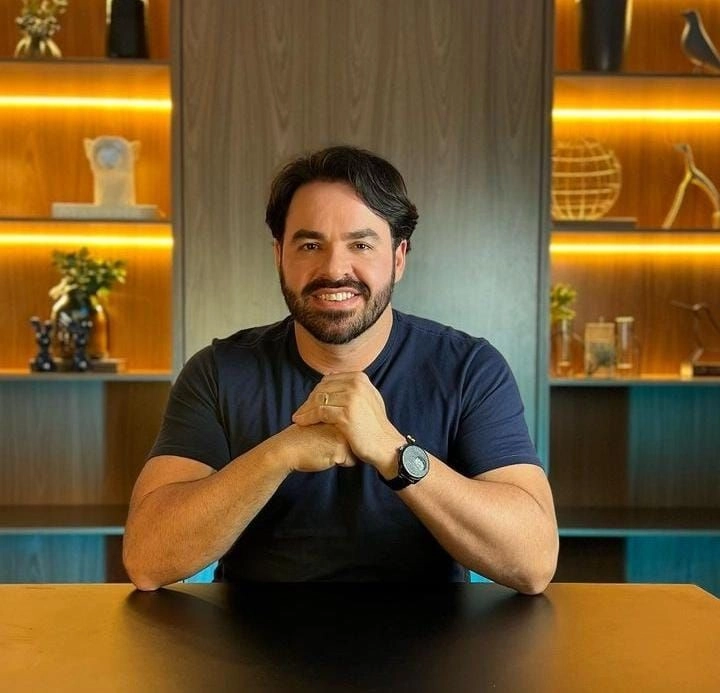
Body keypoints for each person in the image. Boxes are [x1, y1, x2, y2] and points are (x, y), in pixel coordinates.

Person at [123, 145, 558, 592]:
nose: (333, 269)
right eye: (310, 245)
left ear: (399, 258)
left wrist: (393, 452)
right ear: (279, 255)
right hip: (251, 631)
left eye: (361, 245)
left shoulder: (468, 369)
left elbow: (533, 563)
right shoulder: (218, 372)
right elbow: (147, 560)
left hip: (432, 631)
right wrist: (279, 454)